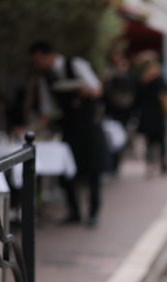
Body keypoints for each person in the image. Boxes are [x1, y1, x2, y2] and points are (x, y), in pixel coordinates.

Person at [30, 40, 108, 228]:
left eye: (39, 59)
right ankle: (74, 211)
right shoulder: (45, 79)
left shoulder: (76, 64)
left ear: (49, 55)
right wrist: (31, 131)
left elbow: (98, 90)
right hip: (69, 127)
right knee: (67, 171)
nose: (37, 64)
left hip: (90, 125)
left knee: (94, 171)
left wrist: (85, 90)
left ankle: (93, 214)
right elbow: (46, 112)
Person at [133, 50, 167, 175]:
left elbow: (137, 99)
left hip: (145, 113)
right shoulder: (158, 77)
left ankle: (150, 165)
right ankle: (163, 163)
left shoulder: (140, 79)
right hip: (158, 112)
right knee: (161, 140)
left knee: (149, 141)